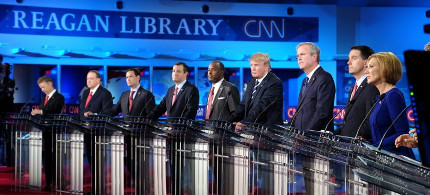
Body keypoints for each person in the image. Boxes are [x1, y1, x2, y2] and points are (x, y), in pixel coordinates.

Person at [365, 52, 415, 158]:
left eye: (371, 66)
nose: (366, 71)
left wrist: (373, 147)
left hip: (396, 159)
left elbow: (401, 133)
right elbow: (380, 135)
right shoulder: (380, 98)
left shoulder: (393, 95)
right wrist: (366, 143)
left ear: (385, 69)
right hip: (382, 157)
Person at [227, 53, 283, 129]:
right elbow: (243, 105)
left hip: (267, 132)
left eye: (256, 65)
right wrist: (228, 122)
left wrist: (245, 123)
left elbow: (262, 107)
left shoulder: (274, 83)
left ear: (266, 67)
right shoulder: (252, 81)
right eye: (251, 65)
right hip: (252, 129)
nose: (252, 68)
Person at [78, 70, 113, 194]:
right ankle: (95, 186)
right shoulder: (86, 92)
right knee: (90, 158)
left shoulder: (105, 93)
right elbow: (81, 110)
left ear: (98, 80)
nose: (88, 81)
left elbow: (108, 113)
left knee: (98, 160)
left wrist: (94, 115)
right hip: (87, 130)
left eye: (91, 79)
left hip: (98, 132)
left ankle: (100, 187)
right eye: (87, 78)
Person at [31, 76, 65, 191]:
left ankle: (57, 181)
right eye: (40, 88)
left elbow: (54, 110)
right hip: (45, 131)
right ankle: (48, 182)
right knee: (46, 159)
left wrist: (40, 111)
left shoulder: (59, 97)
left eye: (44, 87)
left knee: (54, 158)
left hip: (54, 131)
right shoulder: (43, 98)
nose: (42, 90)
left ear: (50, 84)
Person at [338, 46, 379, 140]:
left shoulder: (371, 87)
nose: (348, 62)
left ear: (366, 63)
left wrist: (354, 139)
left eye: (354, 58)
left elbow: (370, 121)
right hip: (347, 145)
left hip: (358, 147)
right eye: (349, 59)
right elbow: (351, 123)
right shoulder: (354, 88)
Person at [293, 42, 335, 131]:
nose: (299, 58)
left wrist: (306, 134)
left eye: (302, 54)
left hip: (315, 138)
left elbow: (322, 113)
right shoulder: (305, 80)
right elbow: (301, 111)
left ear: (314, 57)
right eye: (297, 56)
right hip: (300, 137)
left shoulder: (324, 78)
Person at [0, 62, 15, 167]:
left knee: (8, 138)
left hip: (5, 112)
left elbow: (8, 97)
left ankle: (9, 162)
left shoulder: (10, 82)